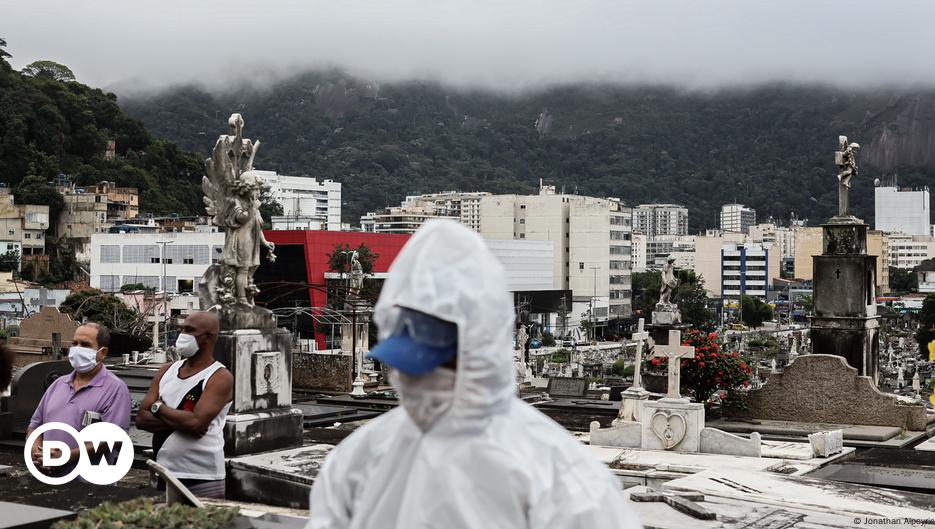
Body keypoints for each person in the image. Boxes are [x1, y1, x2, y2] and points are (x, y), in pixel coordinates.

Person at [306, 220, 641, 529]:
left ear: (479, 352)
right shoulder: (359, 461)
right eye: (406, 363)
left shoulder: (560, 478)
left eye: (435, 363)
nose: (414, 379)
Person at [137, 311, 233, 498]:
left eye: (189, 330)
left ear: (209, 337)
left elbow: (195, 423)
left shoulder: (219, 376)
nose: (182, 334)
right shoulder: (167, 370)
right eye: (182, 329)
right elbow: (141, 418)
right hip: (164, 471)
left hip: (201, 475)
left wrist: (158, 408)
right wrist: (184, 420)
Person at [27, 322, 131, 476]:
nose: (77, 349)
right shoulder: (58, 384)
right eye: (74, 343)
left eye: (85, 345)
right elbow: (34, 426)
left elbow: (113, 439)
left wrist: (67, 456)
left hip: (88, 484)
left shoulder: (115, 389)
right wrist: (37, 454)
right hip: (47, 477)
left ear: (102, 352)